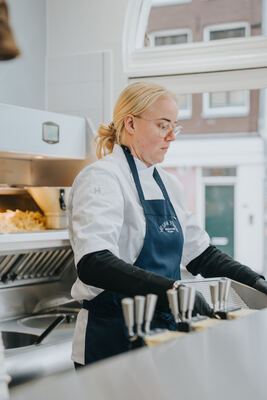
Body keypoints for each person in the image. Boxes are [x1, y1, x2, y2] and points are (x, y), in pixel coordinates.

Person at [68, 81, 267, 367]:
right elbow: (94, 263)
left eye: (175, 126)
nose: (172, 136)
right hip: (112, 337)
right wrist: (173, 291)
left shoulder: (168, 184)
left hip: (163, 336)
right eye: (163, 125)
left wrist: (257, 283)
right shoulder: (102, 178)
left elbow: (203, 255)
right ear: (131, 124)